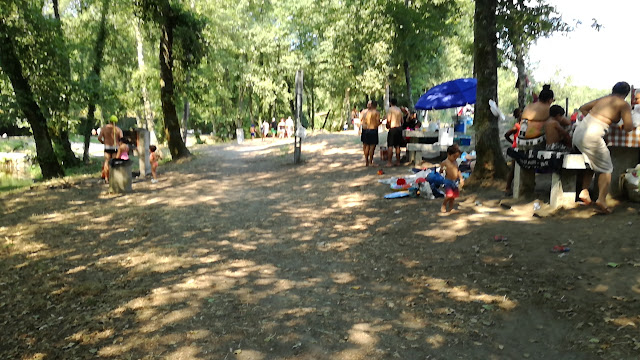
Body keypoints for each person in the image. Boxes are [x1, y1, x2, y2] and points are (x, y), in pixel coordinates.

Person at [574, 81, 634, 214]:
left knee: (592, 163)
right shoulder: (624, 104)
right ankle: (601, 199)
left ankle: (584, 191)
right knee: (606, 168)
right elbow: (629, 127)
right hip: (592, 136)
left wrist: (597, 119)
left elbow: (583, 108)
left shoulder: (603, 99)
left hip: (579, 133)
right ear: (626, 94)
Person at [518, 84, 555, 149]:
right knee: (554, 124)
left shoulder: (528, 106)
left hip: (519, 141)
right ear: (550, 100)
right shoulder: (547, 108)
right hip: (534, 142)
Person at [97, 115, 123, 183]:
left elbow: (99, 138)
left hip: (107, 147)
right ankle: (113, 177)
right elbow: (121, 139)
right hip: (115, 147)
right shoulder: (118, 129)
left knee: (106, 162)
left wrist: (103, 142)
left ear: (110, 121)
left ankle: (106, 178)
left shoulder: (104, 128)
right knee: (114, 162)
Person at [440, 145, 464, 213]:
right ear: (449, 154)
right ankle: (444, 204)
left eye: (456, 157)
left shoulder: (455, 162)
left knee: (453, 196)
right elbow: (442, 170)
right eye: (454, 156)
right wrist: (443, 169)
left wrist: (461, 178)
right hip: (448, 181)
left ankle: (451, 208)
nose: (455, 158)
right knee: (449, 195)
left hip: (455, 181)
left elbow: (458, 170)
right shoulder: (445, 162)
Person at [504, 108, 522, 196]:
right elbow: (507, 135)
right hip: (516, 148)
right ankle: (507, 187)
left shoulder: (525, 125)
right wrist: (513, 143)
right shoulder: (517, 126)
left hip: (523, 148)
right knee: (514, 168)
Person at [360, 100, 381, 166]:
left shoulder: (366, 112)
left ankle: (366, 161)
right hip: (373, 130)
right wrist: (381, 121)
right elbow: (377, 123)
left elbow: (363, 122)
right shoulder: (377, 113)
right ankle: (371, 161)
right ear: (376, 106)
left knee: (367, 146)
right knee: (372, 147)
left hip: (367, 130)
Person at [385, 98, 404, 166]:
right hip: (399, 128)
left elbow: (388, 120)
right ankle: (398, 161)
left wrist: (387, 126)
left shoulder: (390, 109)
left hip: (393, 128)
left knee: (390, 145)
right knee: (397, 146)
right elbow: (402, 121)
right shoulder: (399, 110)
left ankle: (389, 162)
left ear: (390, 103)